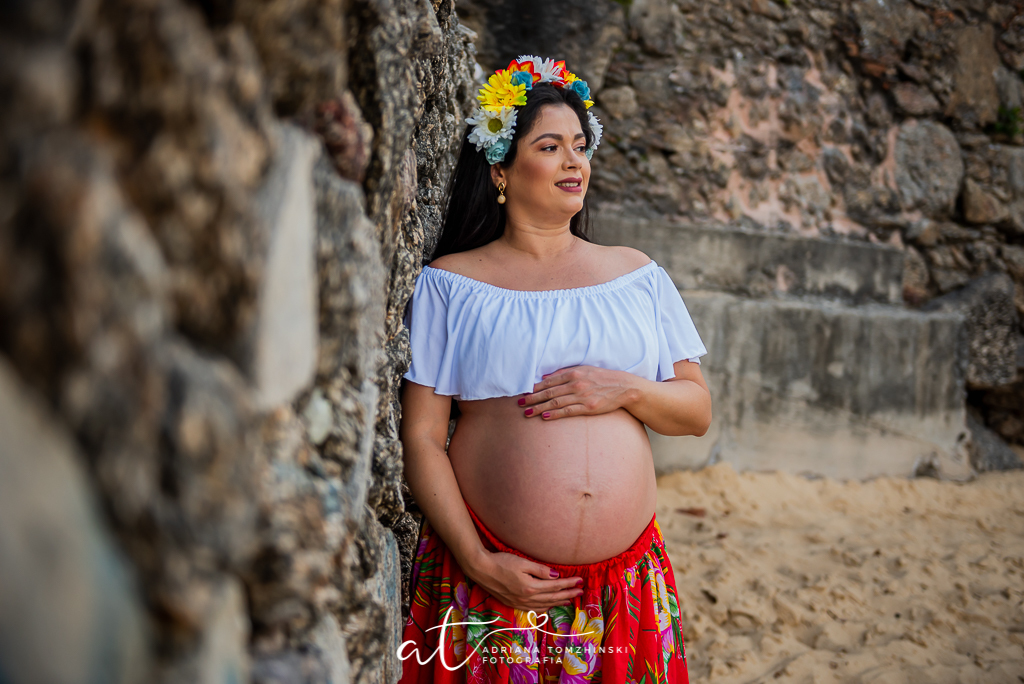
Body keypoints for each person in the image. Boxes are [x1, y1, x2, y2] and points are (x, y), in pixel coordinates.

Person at [397, 55, 711, 684]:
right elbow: (423, 437)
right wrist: (479, 559)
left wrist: (624, 387)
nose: (575, 161)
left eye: (579, 145)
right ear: (502, 172)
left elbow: (696, 411)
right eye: (550, 146)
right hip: (497, 579)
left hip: (627, 582)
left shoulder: (637, 276)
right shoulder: (451, 285)